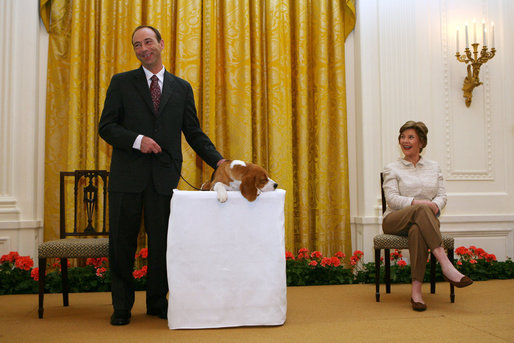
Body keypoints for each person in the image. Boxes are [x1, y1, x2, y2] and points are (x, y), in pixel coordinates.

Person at [99, 25, 225, 325]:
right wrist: (136, 140)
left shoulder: (181, 88)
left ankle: (157, 302)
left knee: (162, 245)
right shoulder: (121, 82)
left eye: (148, 42)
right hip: (126, 178)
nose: (143, 49)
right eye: (137, 45)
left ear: (161, 44)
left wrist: (219, 161)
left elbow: (193, 133)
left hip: (164, 179)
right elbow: (106, 126)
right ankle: (121, 306)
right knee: (122, 244)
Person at [382, 121, 472, 312]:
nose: (405, 141)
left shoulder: (434, 167)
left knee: (417, 230)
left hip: (423, 223)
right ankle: (444, 262)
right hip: (395, 220)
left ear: (421, 142)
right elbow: (391, 200)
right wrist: (421, 204)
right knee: (422, 209)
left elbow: (442, 196)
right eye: (402, 137)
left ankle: (416, 292)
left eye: (410, 137)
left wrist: (434, 205)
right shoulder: (392, 168)